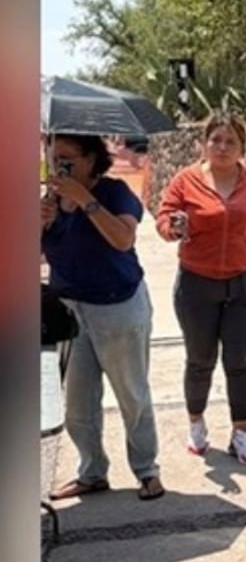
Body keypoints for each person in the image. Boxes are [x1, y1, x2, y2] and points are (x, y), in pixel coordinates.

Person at [42, 133, 165, 501]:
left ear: (91, 159)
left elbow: (123, 239)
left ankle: (147, 469)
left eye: (67, 158)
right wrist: (40, 221)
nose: (59, 165)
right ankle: (92, 471)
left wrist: (86, 200)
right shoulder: (50, 200)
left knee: (131, 393)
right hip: (70, 311)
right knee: (77, 403)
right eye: (54, 157)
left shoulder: (114, 193)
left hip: (118, 307)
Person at [156, 111, 246, 465]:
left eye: (231, 141)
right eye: (215, 140)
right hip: (197, 283)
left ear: (242, 148)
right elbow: (164, 217)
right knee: (200, 360)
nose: (222, 147)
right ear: (203, 144)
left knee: (240, 361)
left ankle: (240, 432)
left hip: (244, 281)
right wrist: (173, 226)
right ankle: (196, 423)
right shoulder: (186, 180)